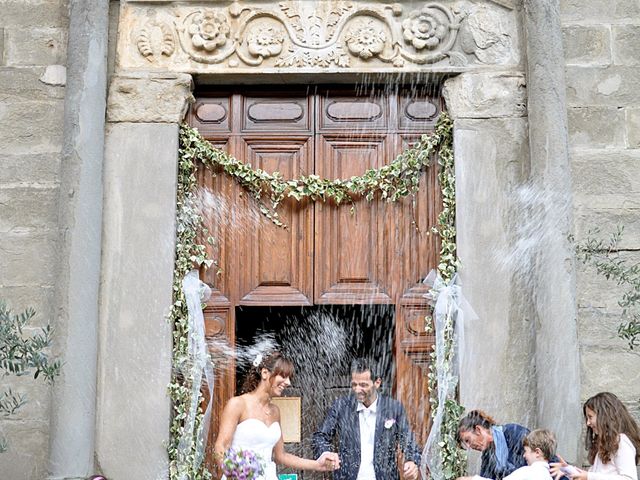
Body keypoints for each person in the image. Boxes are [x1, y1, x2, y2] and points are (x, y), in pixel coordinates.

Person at [214, 351, 340, 480]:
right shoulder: (238, 404)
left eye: (289, 378)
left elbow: (281, 456)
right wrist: (233, 475)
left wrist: (318, 464)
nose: (288, 382)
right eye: (283, 376)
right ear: (264, 373)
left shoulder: (275, 411)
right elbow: (220, 447)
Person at [312, 359, 422, 480]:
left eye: (363, 385)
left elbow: (409, 444)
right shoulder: (341, 406)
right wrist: (325, 453)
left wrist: (412, 462)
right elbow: (320, 436)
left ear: (377, 382)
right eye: (354, 384)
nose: (357, 390)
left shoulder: (394, 408)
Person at [550, 392, 640, 480]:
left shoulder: (621, 442)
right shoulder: (604, 445)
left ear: (604, 416)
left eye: (590, 417)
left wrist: (589, 477)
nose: (588, 423)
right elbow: (594, 475)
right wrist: (567, 469)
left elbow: (629, 478)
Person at [456, 410, 530, 480]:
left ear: (478, 430)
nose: (469, 446)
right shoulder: (487, 457)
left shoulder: (514, 433)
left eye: (467, 440)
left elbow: (537, 467)